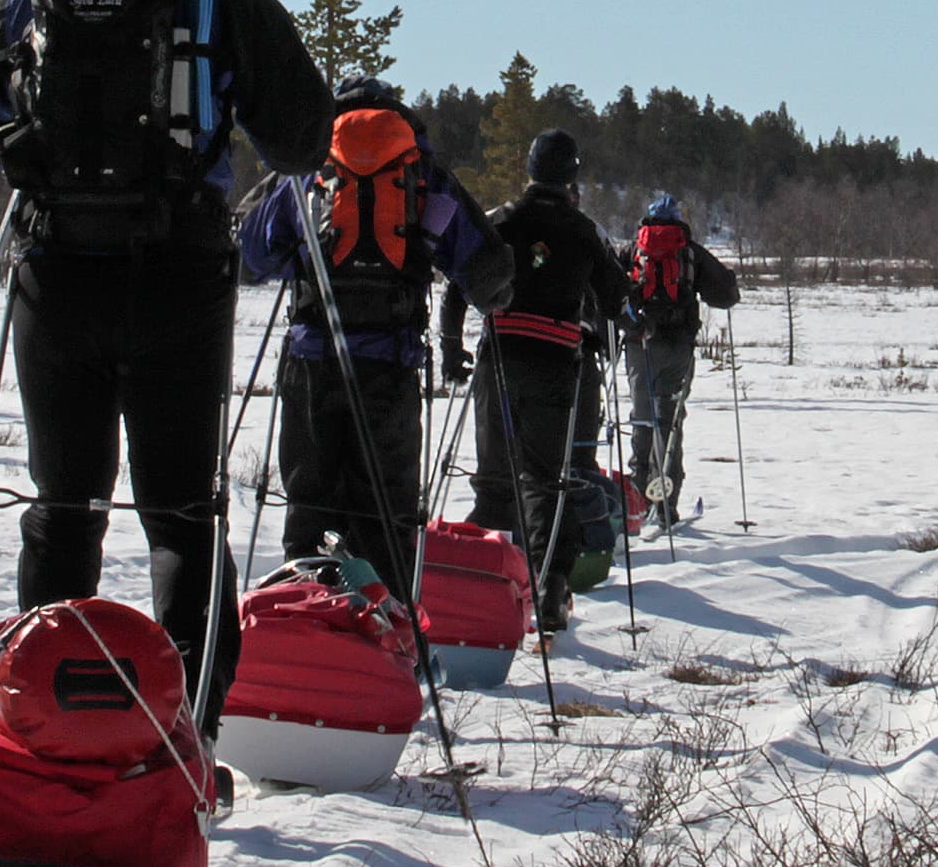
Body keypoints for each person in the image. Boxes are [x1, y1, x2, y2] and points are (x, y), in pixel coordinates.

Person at [0, 0, 332, 732]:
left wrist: (8, 153)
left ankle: (41, 730)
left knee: (64, 510)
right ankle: (186, 735)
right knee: (182, 516)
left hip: (55, 277)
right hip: (180, 279)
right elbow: (306, 139)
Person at [238, 76, 511, 601]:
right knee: (386, 513)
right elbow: (491, 273)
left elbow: (250, 255)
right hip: (391, 365)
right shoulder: (423, 175)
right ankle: (388, 639)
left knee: (310, 504)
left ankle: (307, 628)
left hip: (311, 364)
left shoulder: (305, 168)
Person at [440, 129, 632, 636]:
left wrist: (450, 347)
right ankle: (549, 594)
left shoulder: (499, 221)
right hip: (554, 365)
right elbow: (615, 299)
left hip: (498, 359)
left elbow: (459, 283)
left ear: (529, 168)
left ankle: (473, 596)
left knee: (495, 480)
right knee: (545, 484)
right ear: (572, 175)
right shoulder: (584, 229)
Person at [620, 193, 739, 528]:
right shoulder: (690, 251)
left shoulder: (632, 251)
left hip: (639, 344)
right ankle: (666, 505)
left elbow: (610, 289)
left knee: (642, 419)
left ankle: (637, 501)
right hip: (677, 347)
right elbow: (725, 294)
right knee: (670, 421)